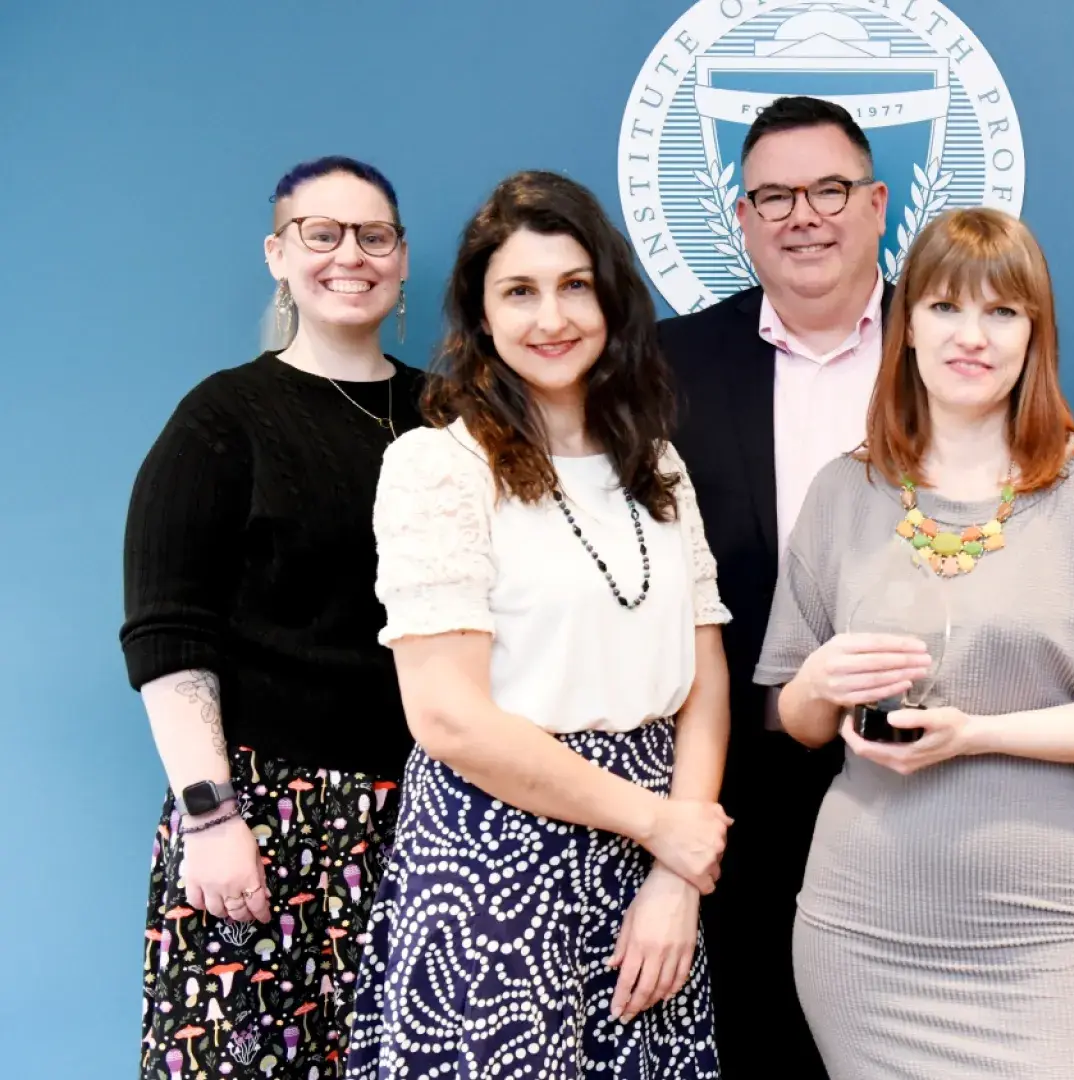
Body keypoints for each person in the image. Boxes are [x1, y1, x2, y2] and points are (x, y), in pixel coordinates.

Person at [755, 207, 1074, 1080]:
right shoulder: (846, 490)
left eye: (1003, 313)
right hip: (862, 932)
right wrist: (822, 683)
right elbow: (792, 717)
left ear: (1035, 334)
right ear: (905, 324)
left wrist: (978, 733)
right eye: (946, 308)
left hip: (1043, 934)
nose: (972, 337)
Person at [344, 171, 731, 1078]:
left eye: (574, 285)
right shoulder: (438, 466)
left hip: (651, 853)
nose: (550, 317)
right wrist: (660, 826)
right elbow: (447, 717)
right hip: (495, 851)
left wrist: (677, 869)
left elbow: (703, 676)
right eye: (518, 290)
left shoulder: (659, 465)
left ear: (611, 300)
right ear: (481, 316)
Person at [122, 155, 422, 1079]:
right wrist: (211, 818)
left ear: (402, 258)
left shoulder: (452, 417)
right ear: (277, 254)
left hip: (425, 819)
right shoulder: (224, 418)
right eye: (320, 234)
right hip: (261, 818)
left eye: (374, 235)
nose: (350, 256)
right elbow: (169, 633)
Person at [656, 94, 889, 1079]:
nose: (805, 215)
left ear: (878, 203)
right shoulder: (666, 367)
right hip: (740, 775)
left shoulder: (962, 348)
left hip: (934, 773)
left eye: (830, 189)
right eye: (775, 196)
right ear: (741, 221)